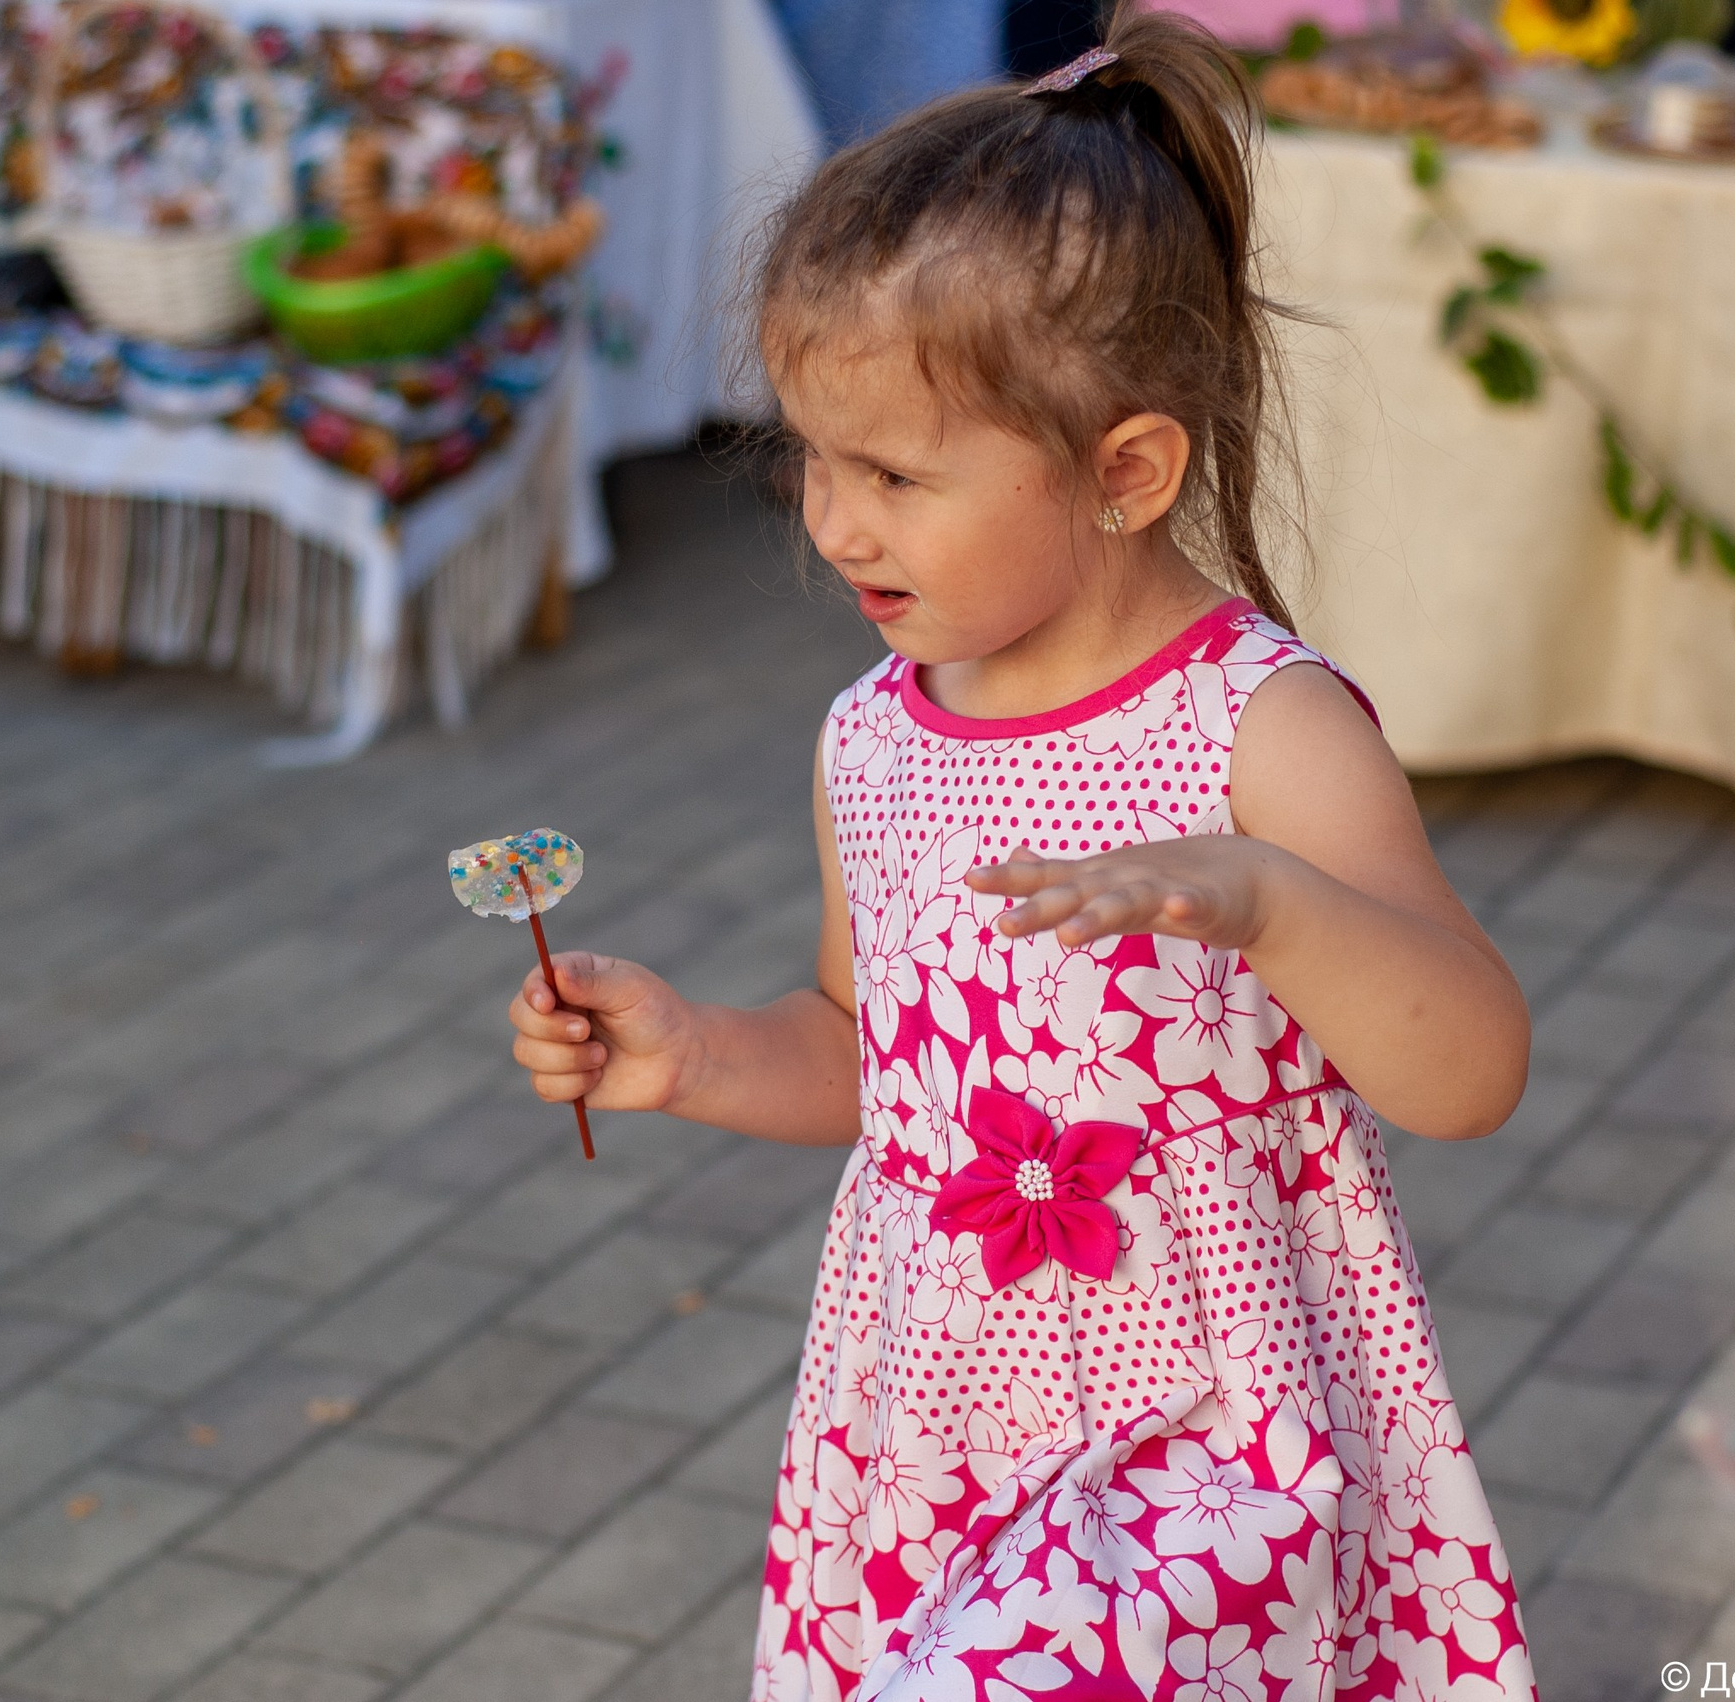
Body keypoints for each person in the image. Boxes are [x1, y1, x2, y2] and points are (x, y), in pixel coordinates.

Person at [504, 13, 1536, 1698]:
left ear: (1124, 470)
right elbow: (870, 1053)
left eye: (895, 474)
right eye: (812, 460)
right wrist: (691, 1050)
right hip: (931, 1448)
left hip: (1210, 1451)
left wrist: (1269, 901)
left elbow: (1473, 1068)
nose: (835, 522)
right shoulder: (873, 741)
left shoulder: (1261, 731)